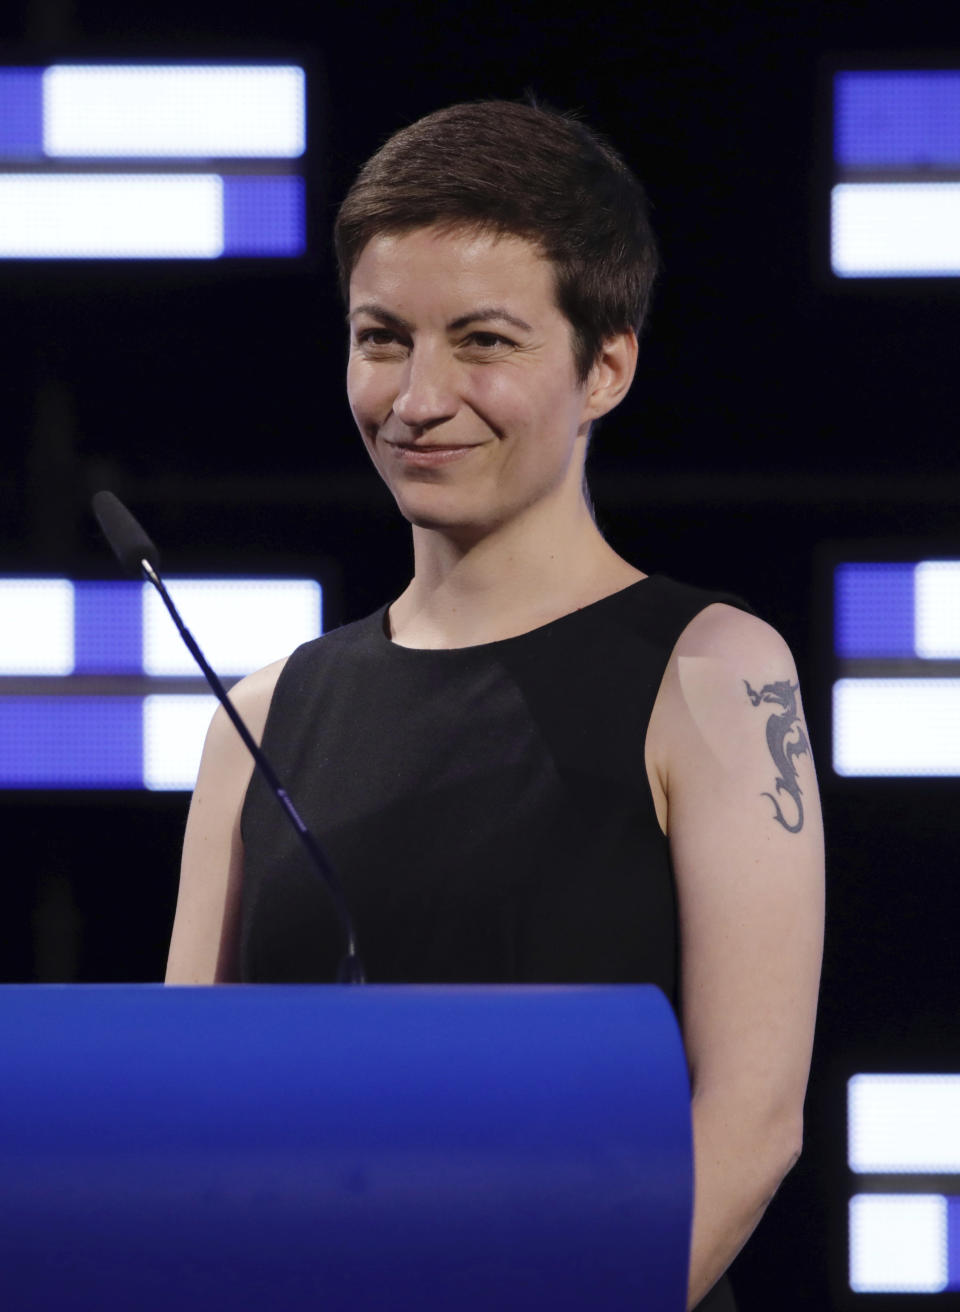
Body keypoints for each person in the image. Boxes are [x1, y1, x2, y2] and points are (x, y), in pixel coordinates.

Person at [166, 100, 824, 1311]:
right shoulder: (258, 716)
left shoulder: (714, 674)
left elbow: (751, 1119)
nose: (419, 396)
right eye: (381, 339)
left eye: (482, 341)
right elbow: (185, 1125)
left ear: (605, 366)